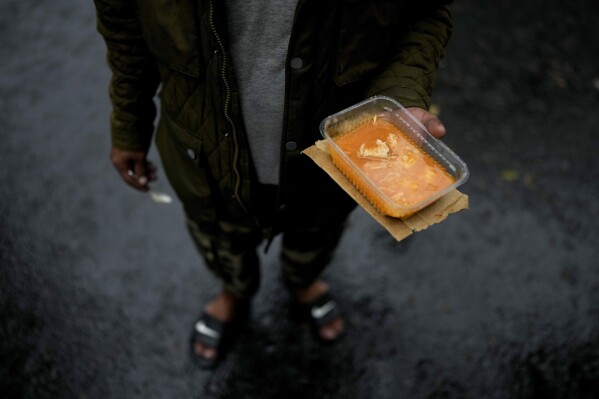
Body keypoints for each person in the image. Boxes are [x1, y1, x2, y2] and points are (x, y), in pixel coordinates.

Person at [93, 0, 453, 369]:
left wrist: (401, 98)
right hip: (205, 155)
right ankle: (234, 292)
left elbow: (423, 11)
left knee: (318, 230)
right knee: (222, 236)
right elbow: (125, 31)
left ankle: (303, 280)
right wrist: (129, 123)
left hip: (331, 157)